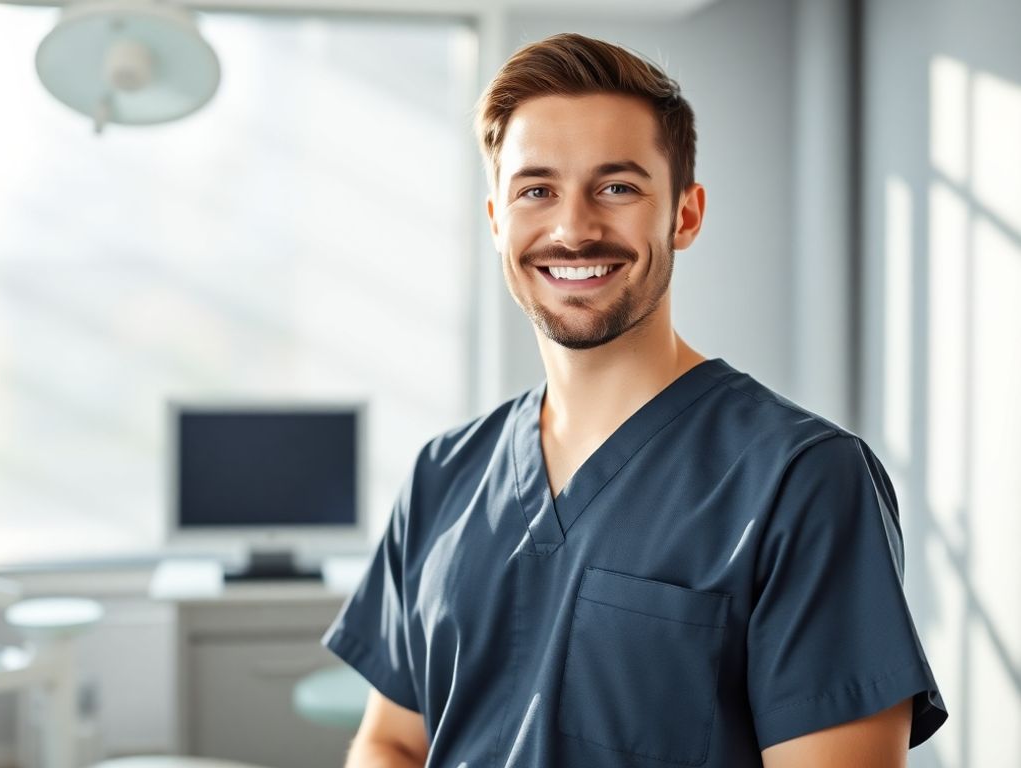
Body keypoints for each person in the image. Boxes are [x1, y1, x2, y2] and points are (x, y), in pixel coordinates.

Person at [322, 33, 947, 767]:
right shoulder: (442, 476)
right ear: (496, 218)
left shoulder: (802, 481)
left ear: (684, 214)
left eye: (617, 187)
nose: (574, 227)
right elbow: (392, 740)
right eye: (536, 190)